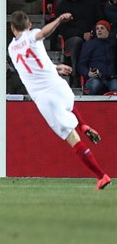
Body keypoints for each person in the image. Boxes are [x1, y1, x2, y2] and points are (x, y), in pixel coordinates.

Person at [8, 10, 111, 190]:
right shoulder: (32, 35)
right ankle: (83, 124)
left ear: (12, 28)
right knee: (69, 105)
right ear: (29, 25)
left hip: (44, 97)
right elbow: (41, 38)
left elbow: (32, 62)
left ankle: (101, 176)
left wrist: (58, 21)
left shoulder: (11, 48)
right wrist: (60, 20)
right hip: (57, 85)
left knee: (72, 138)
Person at [77, 20, 117, 94]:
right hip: (95, 78)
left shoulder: (114, 44)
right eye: (97, 28)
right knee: (95, 85)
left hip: (112, 78)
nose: (99, 30)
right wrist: (87, 73)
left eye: (102, 28)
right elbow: (81, 65)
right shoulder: (88, 45)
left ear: (108, 31)